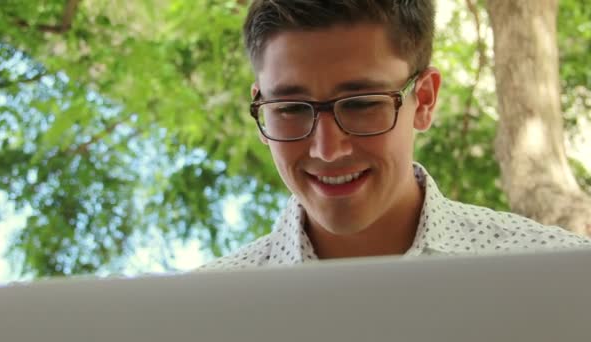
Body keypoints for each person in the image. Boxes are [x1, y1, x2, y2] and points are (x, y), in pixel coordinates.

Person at [200, 0, 590, 270]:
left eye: (361, 103)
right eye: (290, 109)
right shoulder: (200, 312)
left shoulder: (562, 271)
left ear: (424, 100)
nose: (328, 149)